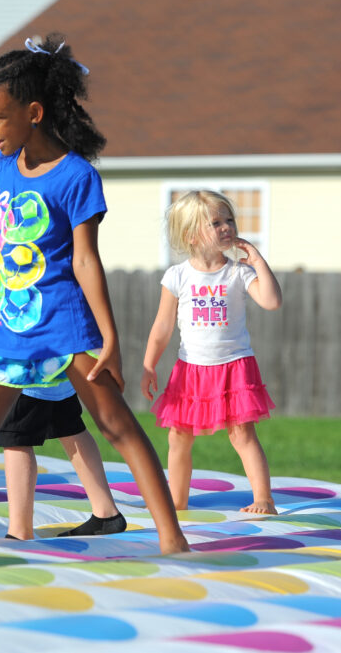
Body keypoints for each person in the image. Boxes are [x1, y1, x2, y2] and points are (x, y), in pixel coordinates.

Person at [0, 36, 189, 554]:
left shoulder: (77, 176)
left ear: (33, 112)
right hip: (10, 327)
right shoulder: (5, 168)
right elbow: (6, 241)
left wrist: (110, 337)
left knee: (116, 426)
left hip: (65, 325)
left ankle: (172, 538)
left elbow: (84, 260)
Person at [0, 115, 125, 539]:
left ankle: (19, 529)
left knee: (14, 435)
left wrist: (106, 334)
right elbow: (2, 258)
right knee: (67, 424)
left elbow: (81, 260)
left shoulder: (67, 177)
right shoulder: (8, 184)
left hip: (36, 336)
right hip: (25, 327)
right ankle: (106, 510)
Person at [140, 191, 281, 513]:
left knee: (242, 434)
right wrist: (149, 365)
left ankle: (264, 498)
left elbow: (272, 302)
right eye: (215, 223)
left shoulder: (239, 272)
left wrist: (258, 262)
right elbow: (162, 326)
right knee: (178, 437)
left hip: (234, 365)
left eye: (229, 220)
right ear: (191, 235)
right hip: (190, 368)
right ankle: (176, 501)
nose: (226, 227)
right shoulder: (177, 276)